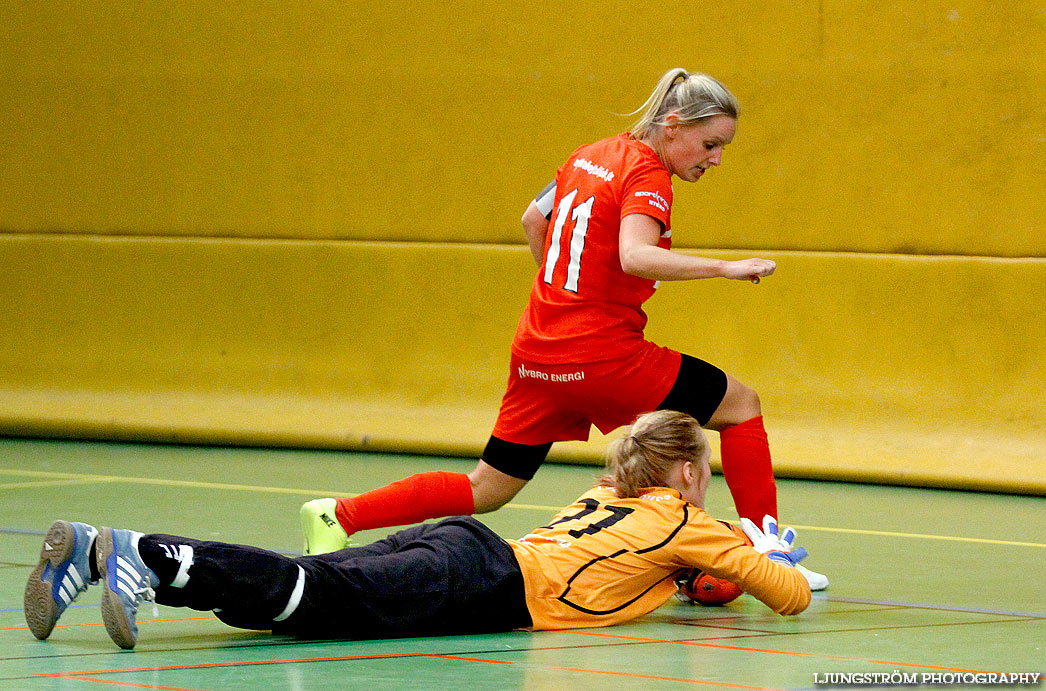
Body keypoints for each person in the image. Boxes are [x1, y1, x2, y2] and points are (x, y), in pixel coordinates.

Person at [301, 67, 828, 589]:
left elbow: (534, 218)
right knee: (740, 407)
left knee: (487, 486)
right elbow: (636, 254)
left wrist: (567, 292)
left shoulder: (588, 155)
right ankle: (768, 552)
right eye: (711, 144)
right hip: (601, 355)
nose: (717, 158)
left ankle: (338, 516)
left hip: (537, 351)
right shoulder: (648, 174)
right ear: (673, 126)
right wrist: (725, 268)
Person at [24, 412, 811, 651]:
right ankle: (149, 551)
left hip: (468, 548)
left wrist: (701, 579)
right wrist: (765, 554)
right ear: (687, 473)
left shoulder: (611, 491)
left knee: (305, 591)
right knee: (314, 596)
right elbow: (790, 597)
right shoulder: (687, 518)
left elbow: (639, 571)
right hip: (486, 583)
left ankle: (107, 557)